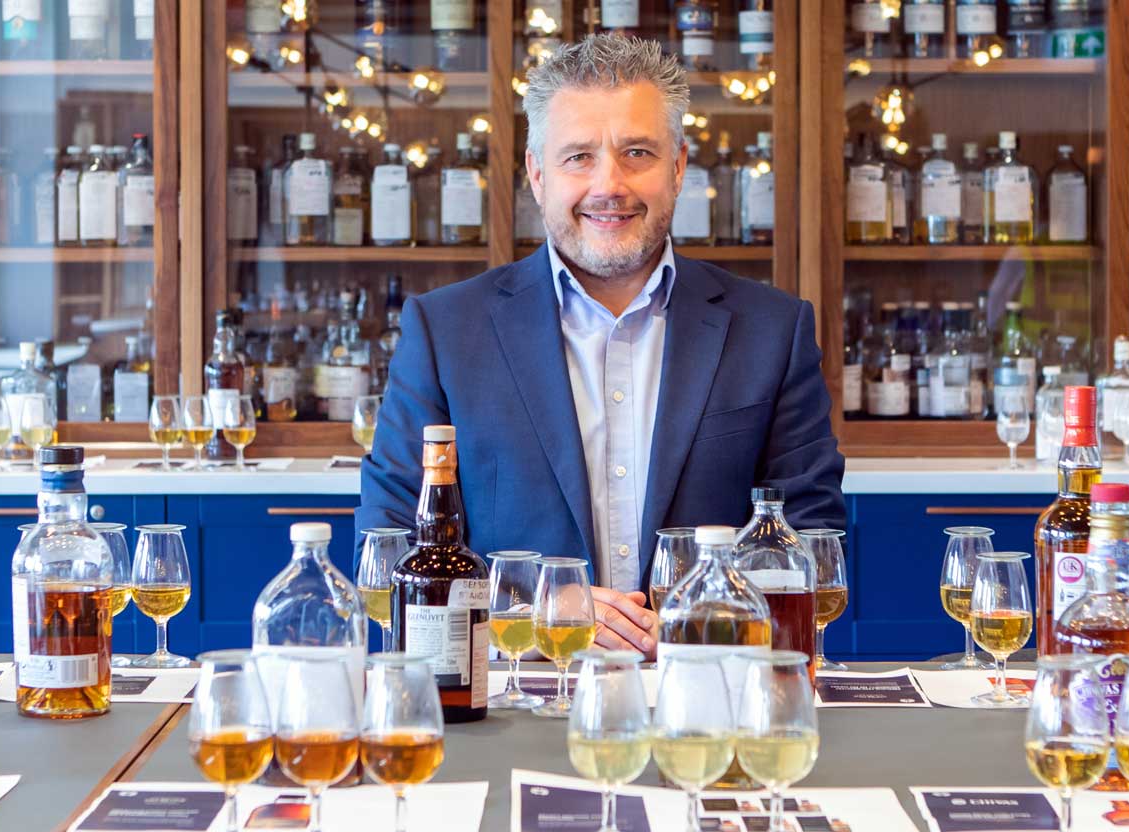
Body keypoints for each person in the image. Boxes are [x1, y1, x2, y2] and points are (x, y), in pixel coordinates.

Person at [357, 34, 845, 661]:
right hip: (514, 701)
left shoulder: (772, 330)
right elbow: (385, 551)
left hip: (707, 700)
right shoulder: (446, 331)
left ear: (677, 168)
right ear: (537, 174)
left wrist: (702, 620)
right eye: (578, 157)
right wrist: (537, 611)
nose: (609, 185)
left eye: (637, 152)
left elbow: (814, 546)